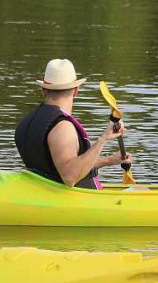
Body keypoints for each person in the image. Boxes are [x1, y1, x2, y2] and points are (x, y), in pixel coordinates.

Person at [14, 58, 130, 189]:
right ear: (76, 90)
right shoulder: (62, 127)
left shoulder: (27, 121)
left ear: (43, 90)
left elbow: (58, 166)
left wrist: (109, 160)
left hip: (42, 194)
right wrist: (103, 140)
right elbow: (69, 176)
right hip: (80, 203)